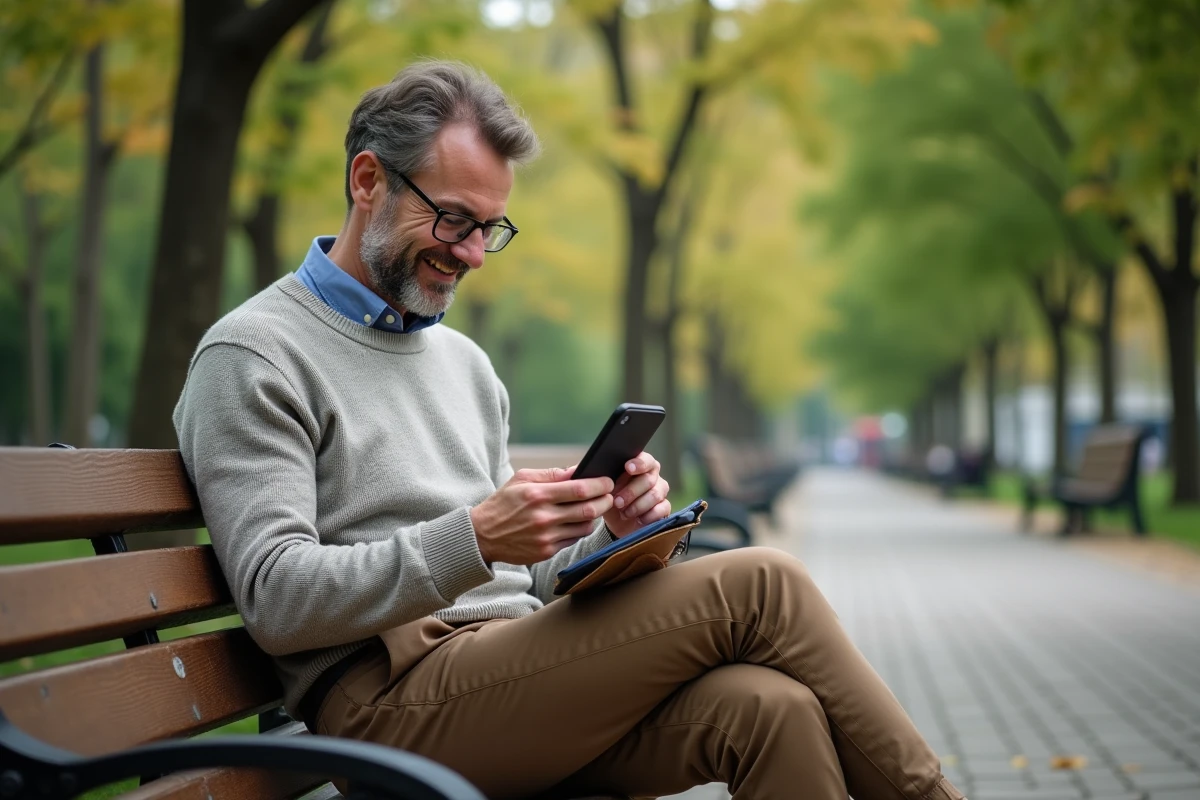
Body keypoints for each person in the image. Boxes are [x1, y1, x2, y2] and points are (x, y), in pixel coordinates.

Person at [173, 60, 966, 800]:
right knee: (764, 585)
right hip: (388, 705)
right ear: (368, 180)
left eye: (491, 227)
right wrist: (477, 536)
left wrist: (610, 535)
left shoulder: (463, 363)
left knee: (769, 708)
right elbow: (275, 597)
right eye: (453, 220)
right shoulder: (257, 354)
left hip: (512, 674)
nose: (474, 254)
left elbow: (522, 581)